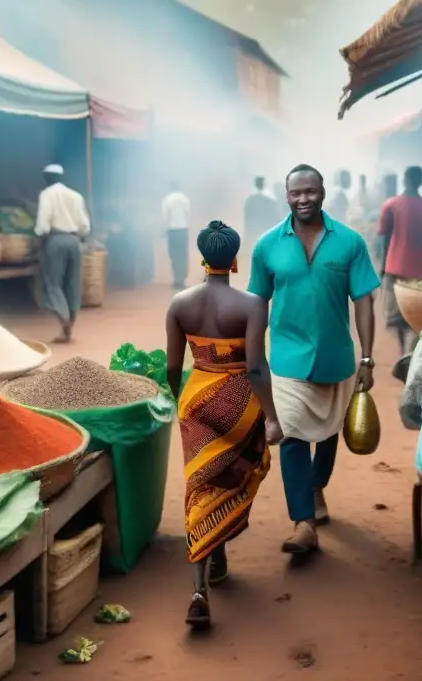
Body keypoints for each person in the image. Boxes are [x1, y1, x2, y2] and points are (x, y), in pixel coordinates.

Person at [248, 164, 380, 554]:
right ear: (285, 196)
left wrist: (367, 359)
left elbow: (364, 302)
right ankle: (302, 521)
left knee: (327, 434)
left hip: (336, 357)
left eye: (310, 191)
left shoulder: (350, 242)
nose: (303, 198)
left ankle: (317, 486)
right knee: (291, 434)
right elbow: (257, 302)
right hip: (287, 359)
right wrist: (252, 356)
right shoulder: (267, 245)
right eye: (295, 193)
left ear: (323, 192)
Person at [166, 221, 281, 629]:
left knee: (200, 484)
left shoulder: (180, 304)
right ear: (234, 260)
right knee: (235, 474)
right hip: (239, 405)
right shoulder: (251, 305)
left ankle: (200, 586)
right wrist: (270, 416)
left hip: (196, 400)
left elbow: (170, 367)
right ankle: (219, 552)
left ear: (201, 257)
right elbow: (254, 367)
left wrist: (182, 400)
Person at [378, 165, 422, 356]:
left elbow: (384, 238)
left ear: (404, 180)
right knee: (416, 313)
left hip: (395, 265)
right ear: (421, 182)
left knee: (395, 314)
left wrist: (383, 265)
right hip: (419, 267)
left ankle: (401, 350)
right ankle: (411, 353)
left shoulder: (390, 205)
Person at [34, 164, 90, 343]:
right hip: (74, 241)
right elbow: (84, 225)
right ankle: (68, 329)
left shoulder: (46, 194)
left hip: (55, 240)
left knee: (53, 283)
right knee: (72, 282)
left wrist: (39, 236)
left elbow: (43, 224)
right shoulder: (75, 196)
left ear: (46, 177)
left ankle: (63, 318)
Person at [161, 182, 191, 288]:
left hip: (172, 230)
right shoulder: (185, 199)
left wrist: (163, 231)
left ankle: (176, 280)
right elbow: (188, 214)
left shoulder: (167, 199)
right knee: (183, 255)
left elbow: (165, 217)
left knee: (173, 255)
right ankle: (182, 279)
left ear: (170, 188)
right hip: (183, 229)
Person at [243, 176, 280, 246]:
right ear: (264, 185)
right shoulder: (271, 202)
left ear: (255, 185)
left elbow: (247, 221)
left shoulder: (250, 201)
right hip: (266, 234)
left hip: (254, 234)